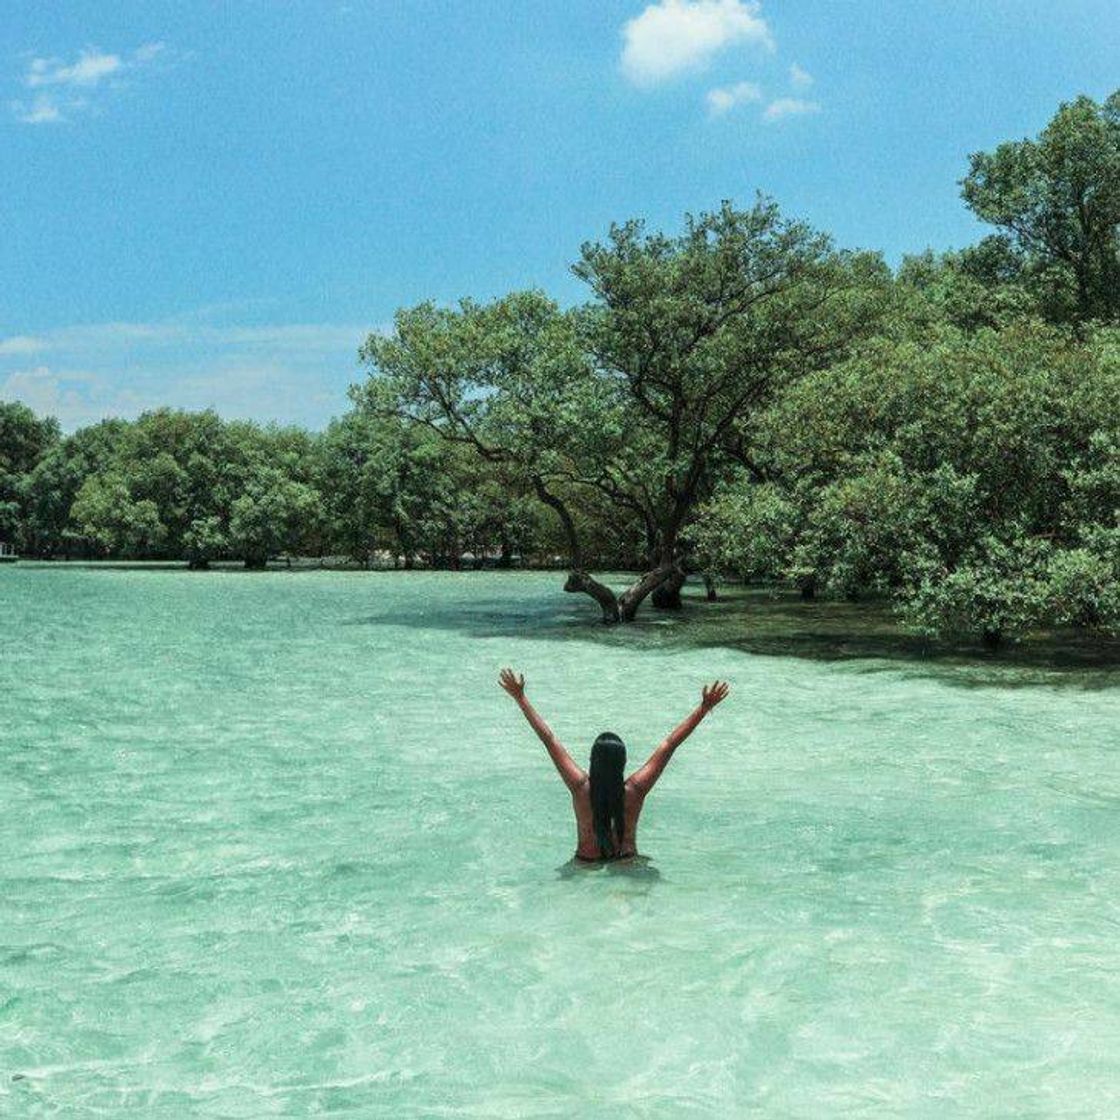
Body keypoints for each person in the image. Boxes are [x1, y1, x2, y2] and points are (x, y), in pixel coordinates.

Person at [498, 668, 730, 861]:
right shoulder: (635, 790)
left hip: (585, 865)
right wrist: (703, 708)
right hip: (626, 863)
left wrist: (521, 698)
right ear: (623, 763)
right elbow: (669, 744)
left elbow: (548, 739)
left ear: (592, 761)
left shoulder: (581, 788)